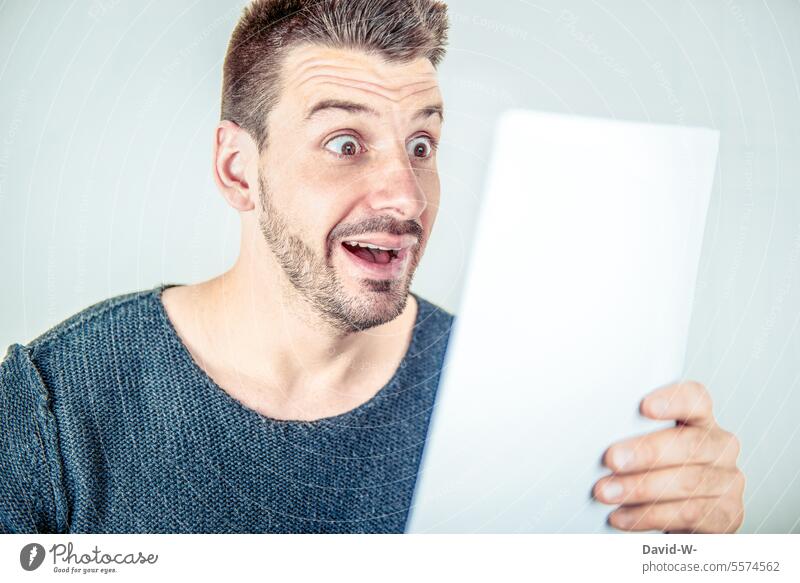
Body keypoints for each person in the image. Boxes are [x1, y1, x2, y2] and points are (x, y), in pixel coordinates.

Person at [0, 0, 744, 534]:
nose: (404, 194)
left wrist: (687, 554)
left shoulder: (530, 403)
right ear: (237, 170)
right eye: (345, 143)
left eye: (421, 145)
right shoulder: (51, 405)